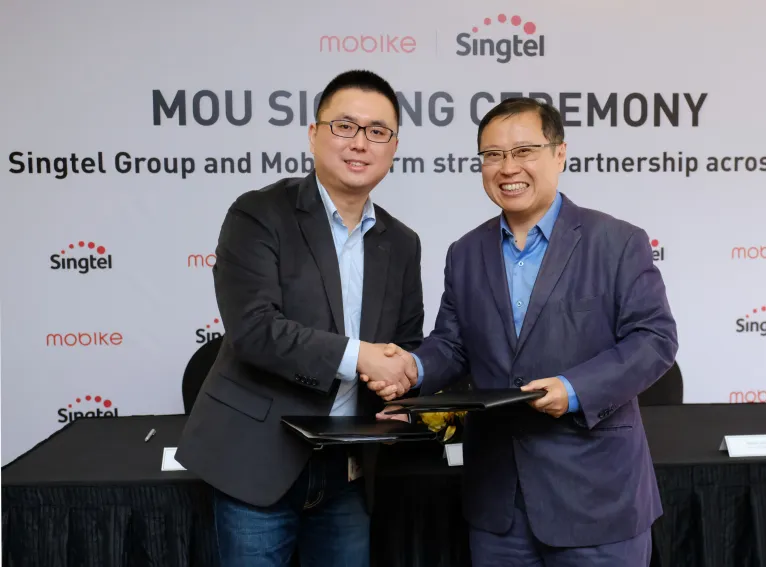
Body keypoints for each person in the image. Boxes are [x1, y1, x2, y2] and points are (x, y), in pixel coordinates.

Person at [371, 97, 678, 566]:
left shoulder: (617, 242)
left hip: (595, 498)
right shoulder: (464, 252)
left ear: (559, 153)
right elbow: (452, 344)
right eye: (492, 155)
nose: (507, 167)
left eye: (523, 151)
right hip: (498, 503)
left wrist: (573, 389)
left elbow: (654, 340)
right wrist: (412, 368)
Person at [175, 69, 423, 567]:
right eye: (345, 126)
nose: (360, 143)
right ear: (313, 134)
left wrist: (401, 391)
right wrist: (362, 357)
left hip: (347, 469)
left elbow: (405, 343)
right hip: (256, 465)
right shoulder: (258, 214)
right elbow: (254, 330)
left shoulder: (401, 242)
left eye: (378, 131)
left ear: (394, 147)